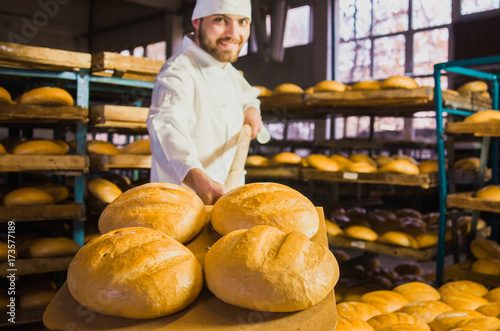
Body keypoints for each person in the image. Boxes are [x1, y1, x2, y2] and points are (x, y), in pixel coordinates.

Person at [147, 0, 262, 205]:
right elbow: (166, 128)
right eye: (220, 20)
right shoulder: (178, 72)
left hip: (228, 202)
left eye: (243, 22)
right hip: (183, 204)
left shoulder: (227, 72)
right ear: (197, 22)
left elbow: (248, 95)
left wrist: (252, 109)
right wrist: (198, 179)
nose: (233, 33)